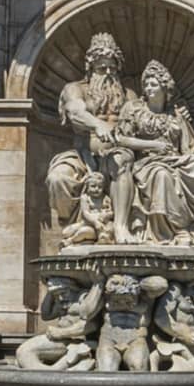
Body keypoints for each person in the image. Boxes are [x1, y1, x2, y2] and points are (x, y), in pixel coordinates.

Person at [115, 60, 194, 248]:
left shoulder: (176, 115)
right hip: (146, 163)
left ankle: (187, 223)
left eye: (153, 84)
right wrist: (153, 145)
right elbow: (121, 139)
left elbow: (189, 146)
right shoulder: (134, 109)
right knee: (162, 175)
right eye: (146, 84)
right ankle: (171, 231)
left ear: (165, 88)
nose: (148, 88)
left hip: (174, 160)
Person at [46, 33, 138, 244]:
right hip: (83, 155)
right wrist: (98, 124)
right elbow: (75, 112)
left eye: (113, 68)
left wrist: (178, 114)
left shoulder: (129, 94)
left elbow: (146, 118)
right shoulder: (75, 89)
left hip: (118, 154)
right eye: (102, 68)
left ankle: (120, 227)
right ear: (90, 67)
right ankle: (72, 223)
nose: (108, 73)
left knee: (120, 159)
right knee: (57, 178)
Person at [60, 172, 114, 247]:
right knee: (65, 233)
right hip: (88, 223)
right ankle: (74, 240)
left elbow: (111, 212)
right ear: (87, 186)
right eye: (93, 186)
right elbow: (85, 213)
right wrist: (95, 222)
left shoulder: (105, 198)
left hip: (101, 226)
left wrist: (106, 215)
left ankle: (71, 240)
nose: (96, 189)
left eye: (100, 187)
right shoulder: (85, 198)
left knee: (86, 231)